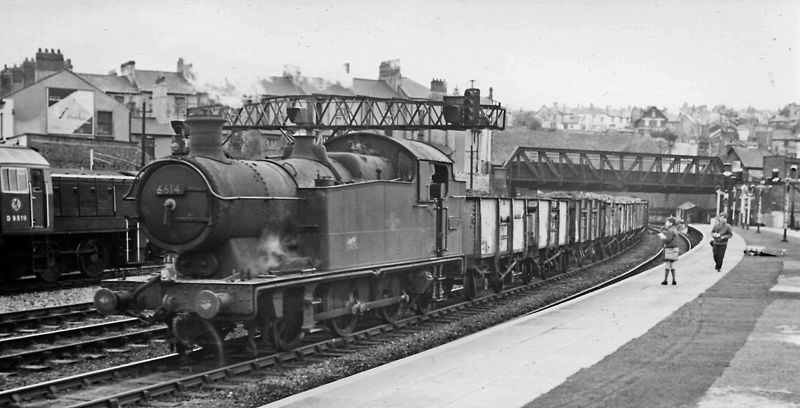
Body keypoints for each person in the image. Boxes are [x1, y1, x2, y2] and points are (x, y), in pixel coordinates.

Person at [659, 216, 680, 285]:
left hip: (670, 249)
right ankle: (674, 280)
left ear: (671, 223)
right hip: (675, 249)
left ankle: (665, 280)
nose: (665, 223)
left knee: (667, 265)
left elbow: (667, 240)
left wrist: (661, 236)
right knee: (672, 265)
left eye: (667, 222)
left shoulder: (670, 230)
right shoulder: (674, 229)